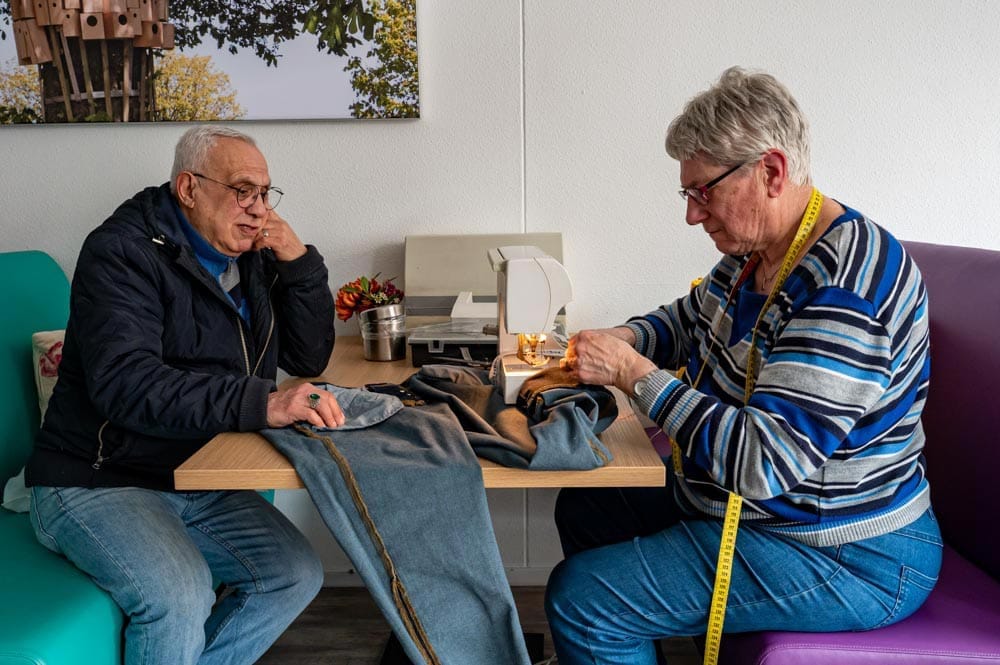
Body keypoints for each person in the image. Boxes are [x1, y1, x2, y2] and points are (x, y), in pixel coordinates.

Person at [545, 67, 942, 664]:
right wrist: (625, 338)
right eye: (687, 195)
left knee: (583, 600)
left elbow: (762, 462)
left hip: (846, 549)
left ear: (771, 172)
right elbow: (689, 320)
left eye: (703, 192)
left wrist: (633, 373)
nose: (692, 214)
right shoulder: (756, 253)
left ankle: (604, 634)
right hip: (765, 512)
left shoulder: (844, 288)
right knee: (588, 504)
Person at [25, 126, 345, 665]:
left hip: (193, 472)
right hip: (97, 477)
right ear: (189, 188)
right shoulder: (119, 252)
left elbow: (309, 358)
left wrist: (299, 264)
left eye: (264, 193)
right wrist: (263, 403)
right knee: (180, 597)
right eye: (242, 190)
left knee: (292, 573)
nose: (258, 209)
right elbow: (126, 384)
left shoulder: (250, 253)